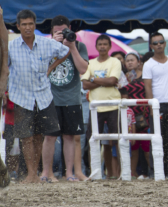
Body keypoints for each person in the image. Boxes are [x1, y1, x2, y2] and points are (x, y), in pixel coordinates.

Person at [8, 10, 69, 184]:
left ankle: (36, 173)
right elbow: (4, 68)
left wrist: (51, 68)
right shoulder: (10, 47)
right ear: (18, 26)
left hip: (43, 95)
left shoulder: (46, 43)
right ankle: (31, 174)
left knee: (39, 136)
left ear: (35, 25)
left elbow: (65, 51)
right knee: (25, 137)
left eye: (31, 24)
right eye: (24, 24)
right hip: (21, 96)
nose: (28, 27)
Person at [46, 15, 89, 182]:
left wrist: (71, 47)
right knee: (49, 137)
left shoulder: (78, 45)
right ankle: (48, 173)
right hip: (50, 99)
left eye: (64, 31)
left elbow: (83, 69)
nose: (62, 35)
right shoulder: (46, 46)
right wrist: (54, 45)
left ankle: (69, 173)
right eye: (57, 32)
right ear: (51, 32)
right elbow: (42, 69)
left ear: (70, 29)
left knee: (70, 136)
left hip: (72, 98)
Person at [81, 34, 122, 179]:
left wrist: (93, 79)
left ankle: (118, 174)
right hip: (95, 108)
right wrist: (104, 81)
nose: (103, 47)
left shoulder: (115, 62)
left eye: (105, 44)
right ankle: (96, 173)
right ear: (96, 47)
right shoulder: (90, 63)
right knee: (93, 140)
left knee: (117, 141)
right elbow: (85, 85)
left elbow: (113, 80)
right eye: (100, 44)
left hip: (113, 106)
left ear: (110, 47)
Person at [143, 32, 168, 179]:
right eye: (155, 43)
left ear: (165, 43)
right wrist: (152, 107)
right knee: (157, 139)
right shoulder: (148, 65)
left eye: (161, 42)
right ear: (151, 46)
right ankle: (157, 171)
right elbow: (148, 87)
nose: (159, 45)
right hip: (157, 105)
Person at [121, 53, 151, 178]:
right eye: (127, 60)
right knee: (133, 146)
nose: (129, 63)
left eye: (132, 60)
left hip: (145, 115)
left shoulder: (146, 76)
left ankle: (154, 172)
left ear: (139, 62)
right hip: (129, 116)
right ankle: (132, 173)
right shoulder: (122, 78)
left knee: (147, 147)